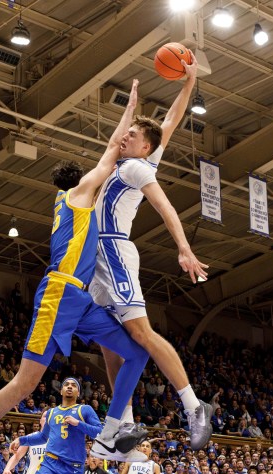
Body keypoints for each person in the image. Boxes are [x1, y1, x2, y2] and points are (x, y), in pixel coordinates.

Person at [0, 80, 149, 474]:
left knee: (136, 351)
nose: (99, 174)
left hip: (80, 298)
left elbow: (110, 153)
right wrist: (130, 114)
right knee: (24, 384)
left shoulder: (70, 201)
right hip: (59, 294)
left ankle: (112, 433)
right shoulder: (80, 193)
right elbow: (111, 149)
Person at [89, 55, 211, 451]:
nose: (124, 137)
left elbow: (166, 207)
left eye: (132, 135)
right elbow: (170, 123)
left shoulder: (138, 169)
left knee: (141, 333)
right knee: (108, 344)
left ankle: (194, 406)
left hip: (115, 251)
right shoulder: (126, 160)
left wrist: (184, 248)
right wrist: (187, 85)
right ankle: (123, 423)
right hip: (96, 257)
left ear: (145, 147)